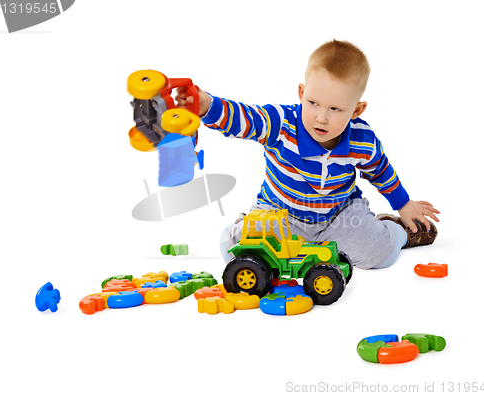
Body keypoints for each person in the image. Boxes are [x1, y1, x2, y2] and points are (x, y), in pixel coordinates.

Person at [175, 39, 440, 270]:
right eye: (313, 103)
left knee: (379, 253)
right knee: (231, 250)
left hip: (339, 214)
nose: (321, 118)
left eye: (336, 109)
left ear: (356, 111)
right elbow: (246, 118)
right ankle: (247, 223)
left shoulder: (363, 140)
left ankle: (400, 232)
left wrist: (403, 204)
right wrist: (208, 105)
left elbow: (380, 170)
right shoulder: (279, 123)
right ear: (302, 93)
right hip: (280, 213)